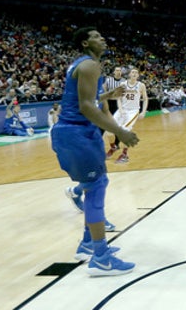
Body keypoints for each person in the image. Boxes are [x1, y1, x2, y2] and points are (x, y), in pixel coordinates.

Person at [51, 26, 140, 277]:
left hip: (75, 132)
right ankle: (100, 257)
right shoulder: (90, 65)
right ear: (85, 44)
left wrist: (108, 94)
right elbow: (87, 106)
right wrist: (120, 132)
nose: (102, 38)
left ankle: (89, 244)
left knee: (97, 183)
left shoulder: (85, 65)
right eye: (96, 36)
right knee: (96, 186)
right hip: (76, 132)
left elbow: (83, 97)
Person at [65, 85, 123, 232]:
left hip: (93, 139)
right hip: (79, 139)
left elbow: (106, 111)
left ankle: (76, 191)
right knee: (97, 182)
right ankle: (97, 223)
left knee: (99, 180)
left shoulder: (99, 90)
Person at [104, 67, 148, 164]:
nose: (134, 74)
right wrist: (120, 109)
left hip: (133, 111)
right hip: (122, 110)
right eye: (132, 72)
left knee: (124, 131)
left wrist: (143, 111)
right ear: (129, 74)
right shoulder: (123, 84)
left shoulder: (141, 85)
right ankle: (113, 147)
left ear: (138, 75)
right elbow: (119, 98)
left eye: (136, 72)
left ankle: (124, 155)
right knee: (109, 131)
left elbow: (145, 99)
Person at [103, 66, 125, 157]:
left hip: (120, 104)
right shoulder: (108, 80)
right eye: (117, 70)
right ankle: (113, 145)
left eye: (120, 70)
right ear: (114, 72)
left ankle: (115, 145)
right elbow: (103, 88)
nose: (118, 72)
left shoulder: (124, 82)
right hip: (110, 104)